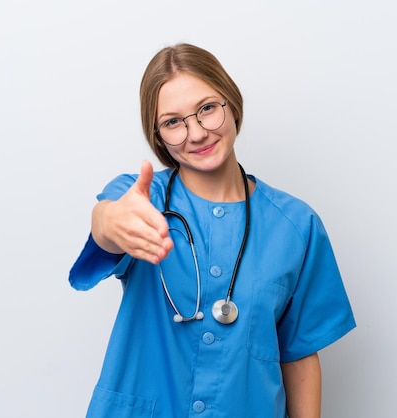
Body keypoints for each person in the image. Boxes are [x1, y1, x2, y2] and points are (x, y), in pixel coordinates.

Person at [69, 43, 355, 418]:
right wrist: (109, 221)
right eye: (173, 122)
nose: (197, 133)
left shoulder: (296, 226)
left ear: (231, 104)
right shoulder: (142, 199)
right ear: (158, 135)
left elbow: (299, 353)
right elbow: (107, 222)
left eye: (206, 109)